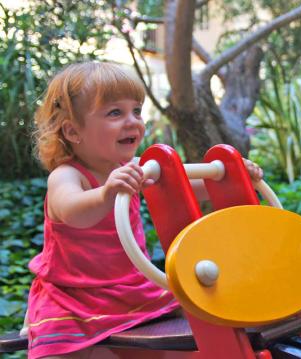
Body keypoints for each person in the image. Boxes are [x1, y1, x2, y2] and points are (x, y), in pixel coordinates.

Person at [27, 61, 263, 359]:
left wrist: (234, 178)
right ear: (73, 131)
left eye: (136, 111)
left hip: (131, 289)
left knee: (199, 311)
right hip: (76, 298)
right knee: (70, 351)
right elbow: (71, 210)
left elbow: (183, 189)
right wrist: (107, 193)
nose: (133, 121)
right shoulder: (67, 176)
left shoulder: (132, 168)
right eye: (115, 113)